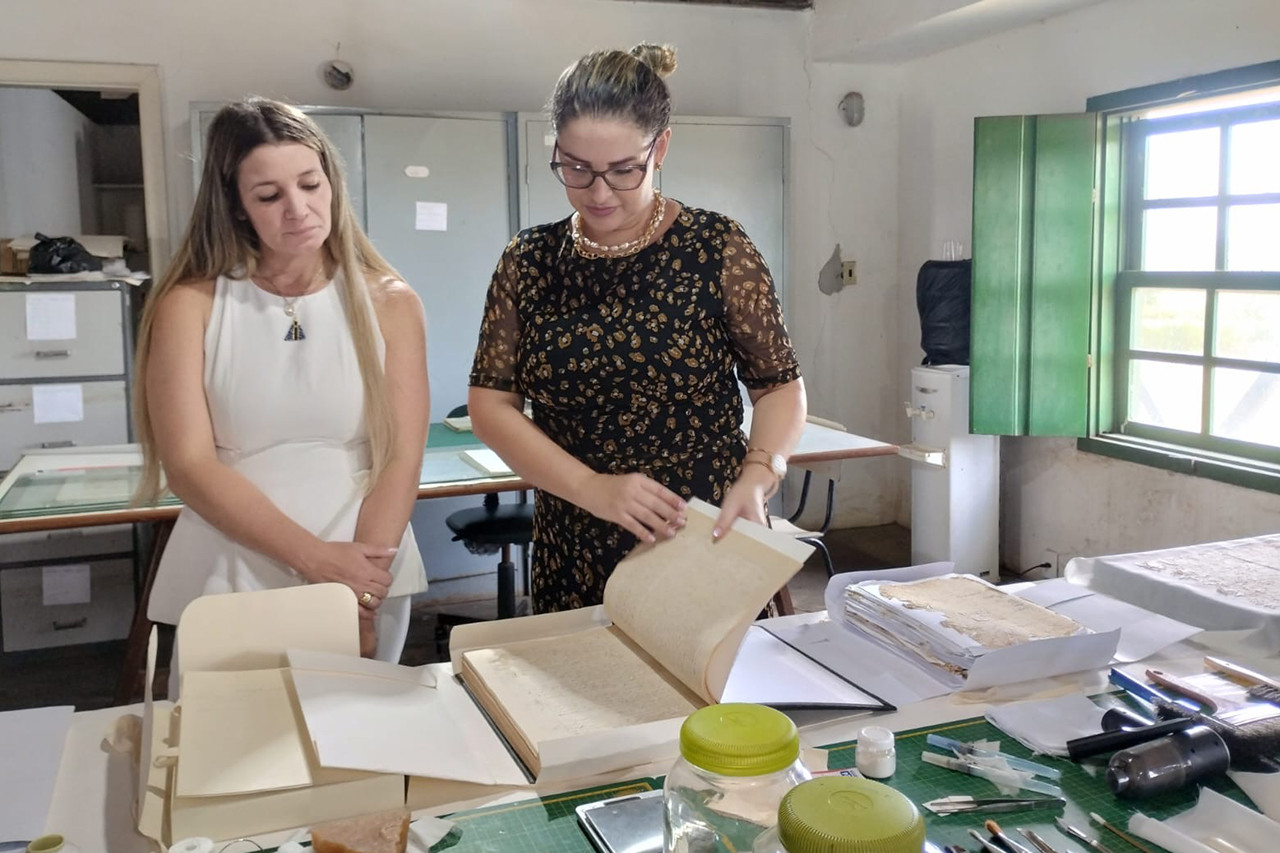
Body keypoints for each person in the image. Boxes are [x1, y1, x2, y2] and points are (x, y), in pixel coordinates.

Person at [468, 44, 807, 614]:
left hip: (702, 531)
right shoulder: (529, 260)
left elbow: (779, 387)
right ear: (556, 149)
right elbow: (491, 405)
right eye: (577, 168)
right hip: (574, 539)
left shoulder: (716, 247)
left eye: (624, 170)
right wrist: (591, 488)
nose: (599, 193)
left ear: (660, 148)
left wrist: (758, 475)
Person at [133, 97, 429, 664]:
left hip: (364, 561)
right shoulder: (189, 305)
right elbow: (189, 465)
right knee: (228, 717)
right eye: (269, 196)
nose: (298, 209)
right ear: (237, 206)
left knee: (356, 718)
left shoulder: (391, 302)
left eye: (311, 185)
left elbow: (400, 456)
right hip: (233, 562)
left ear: (332, 183)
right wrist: (317, 561)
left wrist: (360, 592)